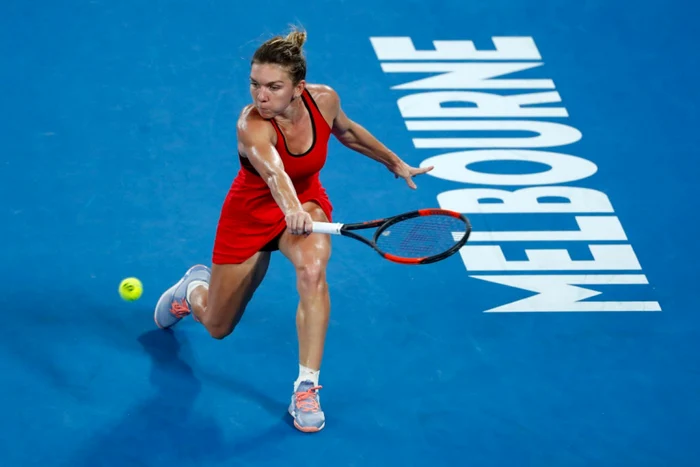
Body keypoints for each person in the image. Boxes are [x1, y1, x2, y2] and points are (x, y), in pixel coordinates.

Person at [153, 27, 433, 433]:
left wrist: (394, 162)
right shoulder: (251, 124)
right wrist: (288, 208)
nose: (260, 95)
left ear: (299, 87)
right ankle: (192, 289)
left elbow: (349, 132)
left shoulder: (325, 100)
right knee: (216, 326)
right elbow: (273, 172)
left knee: (312, 271)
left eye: (273, 86)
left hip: (308, 204)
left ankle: (307, 386)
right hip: (250, 214)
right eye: (254, 84)